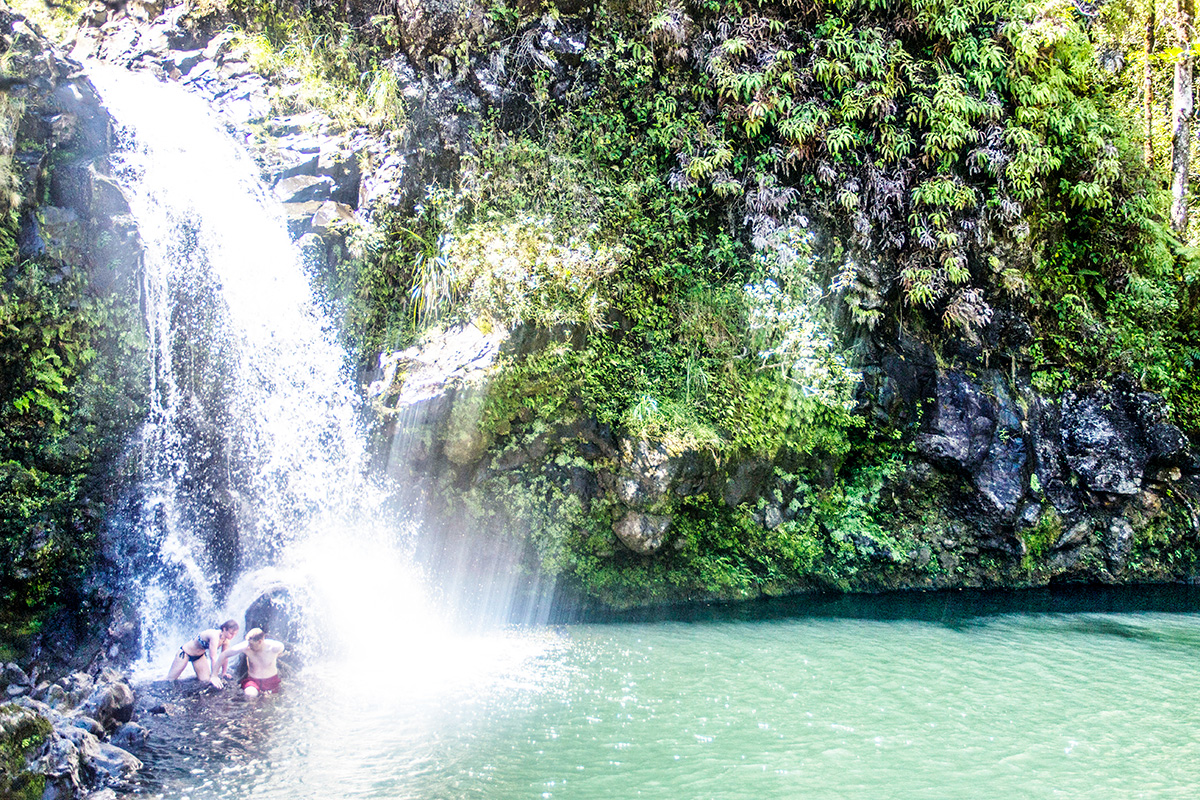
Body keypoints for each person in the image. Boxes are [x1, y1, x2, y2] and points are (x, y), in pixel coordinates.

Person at [212, 628, 285, 697]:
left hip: (271, 681)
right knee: (250, 694)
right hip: (253, 680)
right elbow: (224, 654)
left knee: (270, 701)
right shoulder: (246, 646)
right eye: (248, 644)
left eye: (251, 645)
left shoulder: (274, 647)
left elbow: (282, 650)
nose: (249, 647)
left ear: (260, 641)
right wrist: (214, 675)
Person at [166, 620, 239, 683]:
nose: (232, 636)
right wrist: (215, 676)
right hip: (185, 653)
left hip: (199, 656)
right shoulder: (214, 636)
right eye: (231, 633)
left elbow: (225, 656)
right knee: (170, 679)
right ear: (224, 629)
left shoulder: (226, 641)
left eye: (235, 634)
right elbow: (213, 657)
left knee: (205, 680)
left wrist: (224, 673)